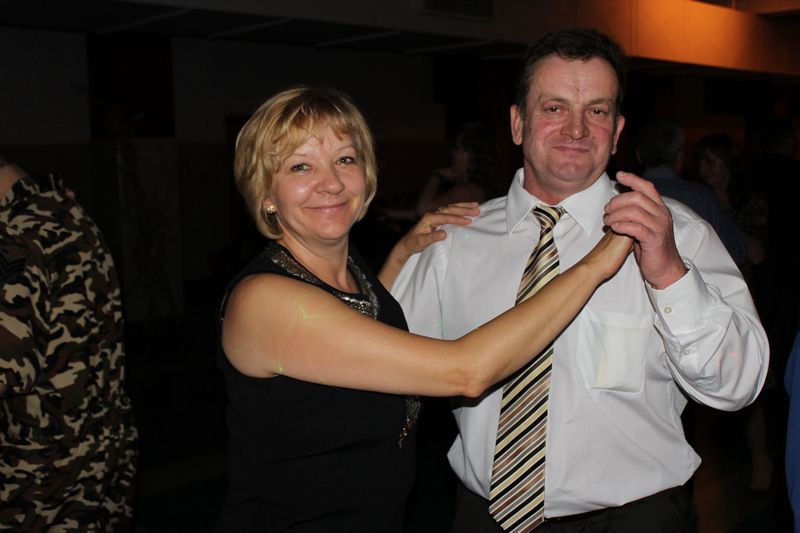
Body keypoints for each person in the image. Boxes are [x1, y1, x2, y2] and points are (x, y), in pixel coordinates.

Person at [393, 28, 769, 531]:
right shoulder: (453, 241)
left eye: (596, 110)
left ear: (617, 132)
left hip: (636, 519)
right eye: (554, 108)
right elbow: (388, 371)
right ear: (518, 123)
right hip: (484, 516)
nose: (576, 129)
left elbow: (738, 385)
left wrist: (669, 274)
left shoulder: (677, 233)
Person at [215, 85, 633, 531]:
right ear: (266, 192)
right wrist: (594, 266)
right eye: (301, 166)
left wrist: (402, 254)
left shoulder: (351, 272)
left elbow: (355, 330)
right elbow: (465, 371)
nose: (332, 183)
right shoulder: (264, 301)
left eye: (345, 159)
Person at [0, 154, 138, 529]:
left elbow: (10, 370)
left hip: (39, 485)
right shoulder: (63, 209)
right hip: (95, 465)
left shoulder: (13, 232)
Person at [636, 120, 747, 266]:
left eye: (710, 161)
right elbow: (735, 253)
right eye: (700, 162)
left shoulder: (622, 193)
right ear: (680, 156)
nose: (704, 169)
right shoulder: (700, 197)